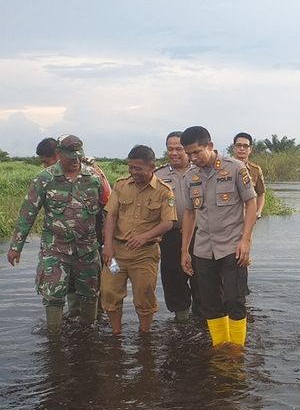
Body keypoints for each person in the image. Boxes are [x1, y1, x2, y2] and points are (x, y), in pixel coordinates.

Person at [7, 135, 105, 332]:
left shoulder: (93, 178)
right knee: (53, 294)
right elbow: (27, 214)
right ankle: (54, 340)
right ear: (59, 155)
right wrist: (15, 247)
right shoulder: (45, 179)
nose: (75, 161)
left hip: (87, 249)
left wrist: (108, 244)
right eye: (70, 158)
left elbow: (107, 211)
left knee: (90, 293)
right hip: (55, 248)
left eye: (78, 157)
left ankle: (89, 334)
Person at [179, 126, 258, 347]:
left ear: (210, 146)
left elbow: (251, 203)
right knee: (209, 302)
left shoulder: (235, 168)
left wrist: (246, 240)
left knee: (234, 299)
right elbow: (189, 213)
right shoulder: (190, 176)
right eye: (189, 154)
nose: (193, 158)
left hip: (233, 245)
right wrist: (184, 250)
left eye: (197, 152)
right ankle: (221, 346)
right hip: (204, 248)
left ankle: (237, 350)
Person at [101, 145, 176, 335]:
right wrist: (108, 245)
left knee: (144, 295)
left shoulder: (164, 191)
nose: (134, 172)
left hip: (145, 254)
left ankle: (144, 334)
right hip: (117, 253)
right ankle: (116, 333)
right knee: (109, 291)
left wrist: (144, 237)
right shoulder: (121, 185)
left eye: (138, 168)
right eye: (131, 167)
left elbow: (167, 223)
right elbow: (110, 216)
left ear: (152, 166)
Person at [34, 136, 112, 319]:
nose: (45, 166)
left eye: (47, 161)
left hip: (91, 237)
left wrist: (108, 241)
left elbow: (108, 205)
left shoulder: (92, 172)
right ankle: (74, 315)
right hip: (61, 244)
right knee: (64, 282)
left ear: (58, 155)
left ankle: (95, 319)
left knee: (92, 283)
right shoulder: (48, 178)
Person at [154, 131, 200, 323]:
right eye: (170, 149)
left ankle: (201, 319)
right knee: (174, 280)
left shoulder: (200, 171)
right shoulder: (158, 175)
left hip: (201, 235)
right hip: (170, 236)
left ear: (187, 150)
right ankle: (182, 321)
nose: (174, 153)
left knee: (203, 278)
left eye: (179, 149)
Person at [231, 132, 266, 219]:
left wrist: (258, 213)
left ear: (250, 149)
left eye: (245, 146)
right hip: (227, 218)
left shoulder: (255, 170)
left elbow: (261, 194)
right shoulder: (223, 168)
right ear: (234, 148)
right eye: (238, 145)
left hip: (247, 217)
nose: (242, 148)